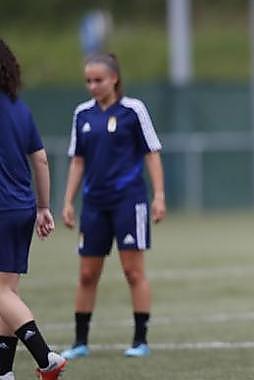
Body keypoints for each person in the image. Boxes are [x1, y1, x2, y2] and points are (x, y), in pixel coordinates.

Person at [60, 53, 166, 360]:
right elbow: (77, 160)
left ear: (114, 79)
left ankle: (140, 340)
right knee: (87, 274)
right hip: (94, 204)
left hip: (129, 201)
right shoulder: (82, 114)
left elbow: (152, 153)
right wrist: (67, 201)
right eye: (88, 81)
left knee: (133, 272)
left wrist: (159, 195)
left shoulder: (133, 110)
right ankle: (80, 342)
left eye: (99, 80)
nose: (92, 86)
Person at [0, 38, 67, 380]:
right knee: (5, 292)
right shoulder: (18, 107)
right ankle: (3, 371)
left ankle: (45, 358)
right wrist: (43, 206)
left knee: (0, 292)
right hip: (22, 206)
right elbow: (39, 159)